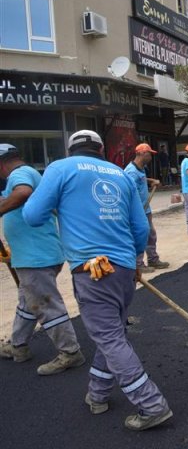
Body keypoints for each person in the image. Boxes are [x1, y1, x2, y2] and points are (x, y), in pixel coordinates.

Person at [23, 130, 173, 431]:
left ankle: (151, 404)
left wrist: (61, 205)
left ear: (71, 149)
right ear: (101, 149)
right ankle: (98, 394)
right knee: (112, 333)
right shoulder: (119, 174)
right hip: (123, 270)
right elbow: (140, 228)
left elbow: (32, 215)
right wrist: (133, 262)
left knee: (109, 337)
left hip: (93, 272)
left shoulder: (60, 169)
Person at [0, 144, 85, 375]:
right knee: (28, 302)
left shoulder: (21, 173)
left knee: (45, 304)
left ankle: (70, 352)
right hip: (33, 255)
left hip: (36, 256)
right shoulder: (21, 176)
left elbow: (22, 193)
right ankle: (19, 346)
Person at [125, 143, 170, 273]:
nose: (150, 156)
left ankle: (153, 259)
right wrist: (138, 211)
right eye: (149, 154)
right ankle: (138, 264)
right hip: (137, 211)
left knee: (151, 234)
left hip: (146, 209)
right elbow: (129, 193)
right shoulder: (130, 172)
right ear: (141, 154)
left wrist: (151, 181)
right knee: (139, 236)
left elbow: (142, 178)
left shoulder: (141, 168)